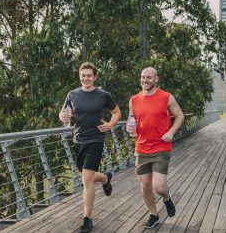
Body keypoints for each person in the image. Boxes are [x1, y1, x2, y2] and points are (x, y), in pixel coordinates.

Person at [59, 62, 121, 233]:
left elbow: (117, 112)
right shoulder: (72, 94)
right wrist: (62, 115)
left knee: (86, 179)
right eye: (83, 75)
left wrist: (109, 125)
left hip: (96, 140)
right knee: (88, 177)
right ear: (80, 76)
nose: (86, 78)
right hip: (78, 140)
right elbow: (64, 114)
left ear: (95, 77)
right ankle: (105, 178)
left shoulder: (103, 95)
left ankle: (87, 218)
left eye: (89, 75)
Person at [126, 67, 184, 228]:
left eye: (149, 78)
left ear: (156, 79)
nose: (145, 80)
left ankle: (166, 197)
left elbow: (180, 115)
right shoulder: (134, 100)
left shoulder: (166, 97)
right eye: (143, 77)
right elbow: (132, 122)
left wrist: (171, 132)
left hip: (161, 146)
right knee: (145, 185)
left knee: (158, 187)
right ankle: (154, 214)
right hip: (141, 148)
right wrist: (130, 128)